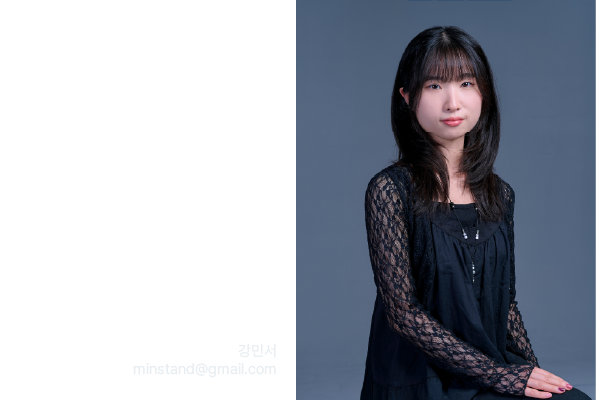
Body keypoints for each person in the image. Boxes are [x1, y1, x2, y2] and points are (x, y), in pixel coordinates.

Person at [359, 26, 591, 400]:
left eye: (466, 83)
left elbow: (506, 303)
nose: (453, 102)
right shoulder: (389, 190)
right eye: (435, 85)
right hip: (419, 376)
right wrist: (499, 376)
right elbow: (403, 313)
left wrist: (532, 373)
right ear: (408, 96)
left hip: (489, 365)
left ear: (484, 93)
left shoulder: (500, 194)